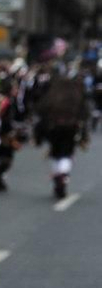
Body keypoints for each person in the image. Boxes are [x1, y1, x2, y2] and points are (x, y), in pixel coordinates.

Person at [33, 69, 90, 199]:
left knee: (55, 152)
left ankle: (58, 175)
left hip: (53, 128)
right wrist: (84, 135)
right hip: (71, 127)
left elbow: (41, 110)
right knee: (67, 152)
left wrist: (39, 134)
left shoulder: (52, 94)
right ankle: (63, 175)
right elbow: (84, 114)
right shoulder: (76, 94)